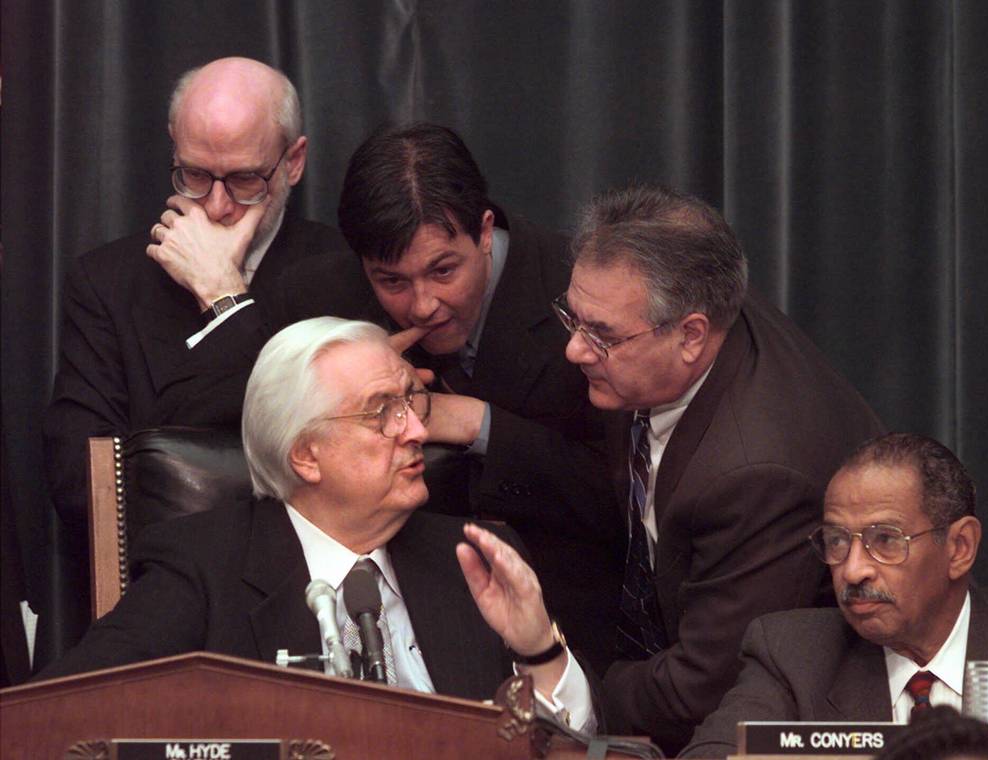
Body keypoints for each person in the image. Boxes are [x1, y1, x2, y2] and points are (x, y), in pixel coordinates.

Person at [196, 123, 623, 672]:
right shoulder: (320, 295)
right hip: (377, 617)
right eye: (392, 281)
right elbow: (225, 422)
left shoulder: (580, 294)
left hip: (563, 623)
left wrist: (478, 423)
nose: (423, 305)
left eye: (444, 271)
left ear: (485, 231)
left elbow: (621, 505)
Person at [38, 317, 597, 733]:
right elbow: (60, 717)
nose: (417, 432)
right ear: (306, 455)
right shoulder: (202, 569)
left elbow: (566, 747)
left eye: (412, 402)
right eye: (382, 412)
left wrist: (538, 651)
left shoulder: (476, 557)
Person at [558, 184, 886, 751]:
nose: (574, 351)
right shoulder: (678, 307)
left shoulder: (758, 473)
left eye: (601, 336)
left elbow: (702, 686)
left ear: (691, 335)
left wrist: (568, 683)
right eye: (573, 318)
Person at [43, 57, 348, 534]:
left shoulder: (341, 270)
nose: (217, 204)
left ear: (293, 162)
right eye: (196, 175)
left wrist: (222, 294)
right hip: (170, 575)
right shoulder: (106, 282)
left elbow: (345, 464)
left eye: (246, 179)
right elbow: (81, 484)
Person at [680, 433, 988, 758]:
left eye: (885, 540)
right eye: (837, 541)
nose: (853, 570)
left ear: (959, 548)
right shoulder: (792, 655)